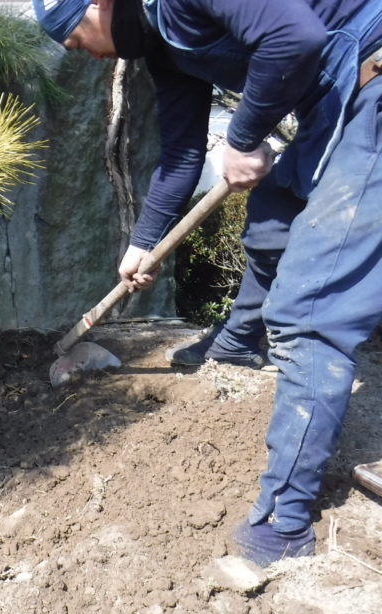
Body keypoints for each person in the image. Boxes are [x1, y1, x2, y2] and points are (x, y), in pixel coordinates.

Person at [33, 0, 382, 565]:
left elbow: (294, 37)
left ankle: (285, 522)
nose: (84, 52)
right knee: (272, 220)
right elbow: (181, 153)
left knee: (310, 308)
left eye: (74, 36)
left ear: (98, 5)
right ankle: (240, 343)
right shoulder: (163, 50)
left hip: (373, 86)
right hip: (337, 104)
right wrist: (143, 242)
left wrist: (242, 137)